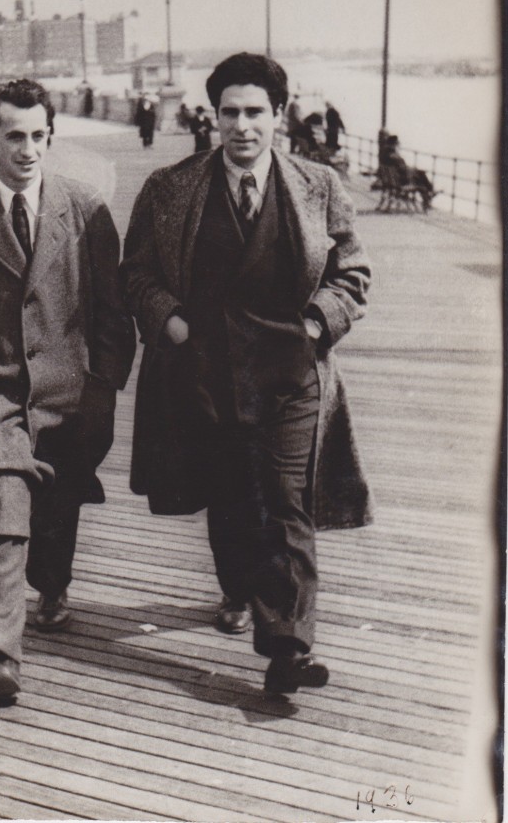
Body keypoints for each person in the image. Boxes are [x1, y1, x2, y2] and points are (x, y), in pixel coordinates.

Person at [121, 53, 371, 695]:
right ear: (215, 116)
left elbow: (353, 273)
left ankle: (287, 647)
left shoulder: (319, 187)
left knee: (288, 505)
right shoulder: (171, 189)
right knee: (231, 500)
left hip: (292, 375)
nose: (241, 126)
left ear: (278, 116)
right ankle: (236, 588)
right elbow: (138, 274)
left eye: (255, 112)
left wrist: (316, 324)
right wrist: (171, 322)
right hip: (206, 376)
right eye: (229, 112)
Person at [0, 78, 135, 701]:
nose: (29, 149)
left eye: (40, 135)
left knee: (56, 514)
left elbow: (113, 315)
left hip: (72, 403)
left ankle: (55, 585)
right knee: (6, 520)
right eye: (14, 135)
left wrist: (103, 387)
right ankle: (0, 656)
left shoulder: (86, 209)